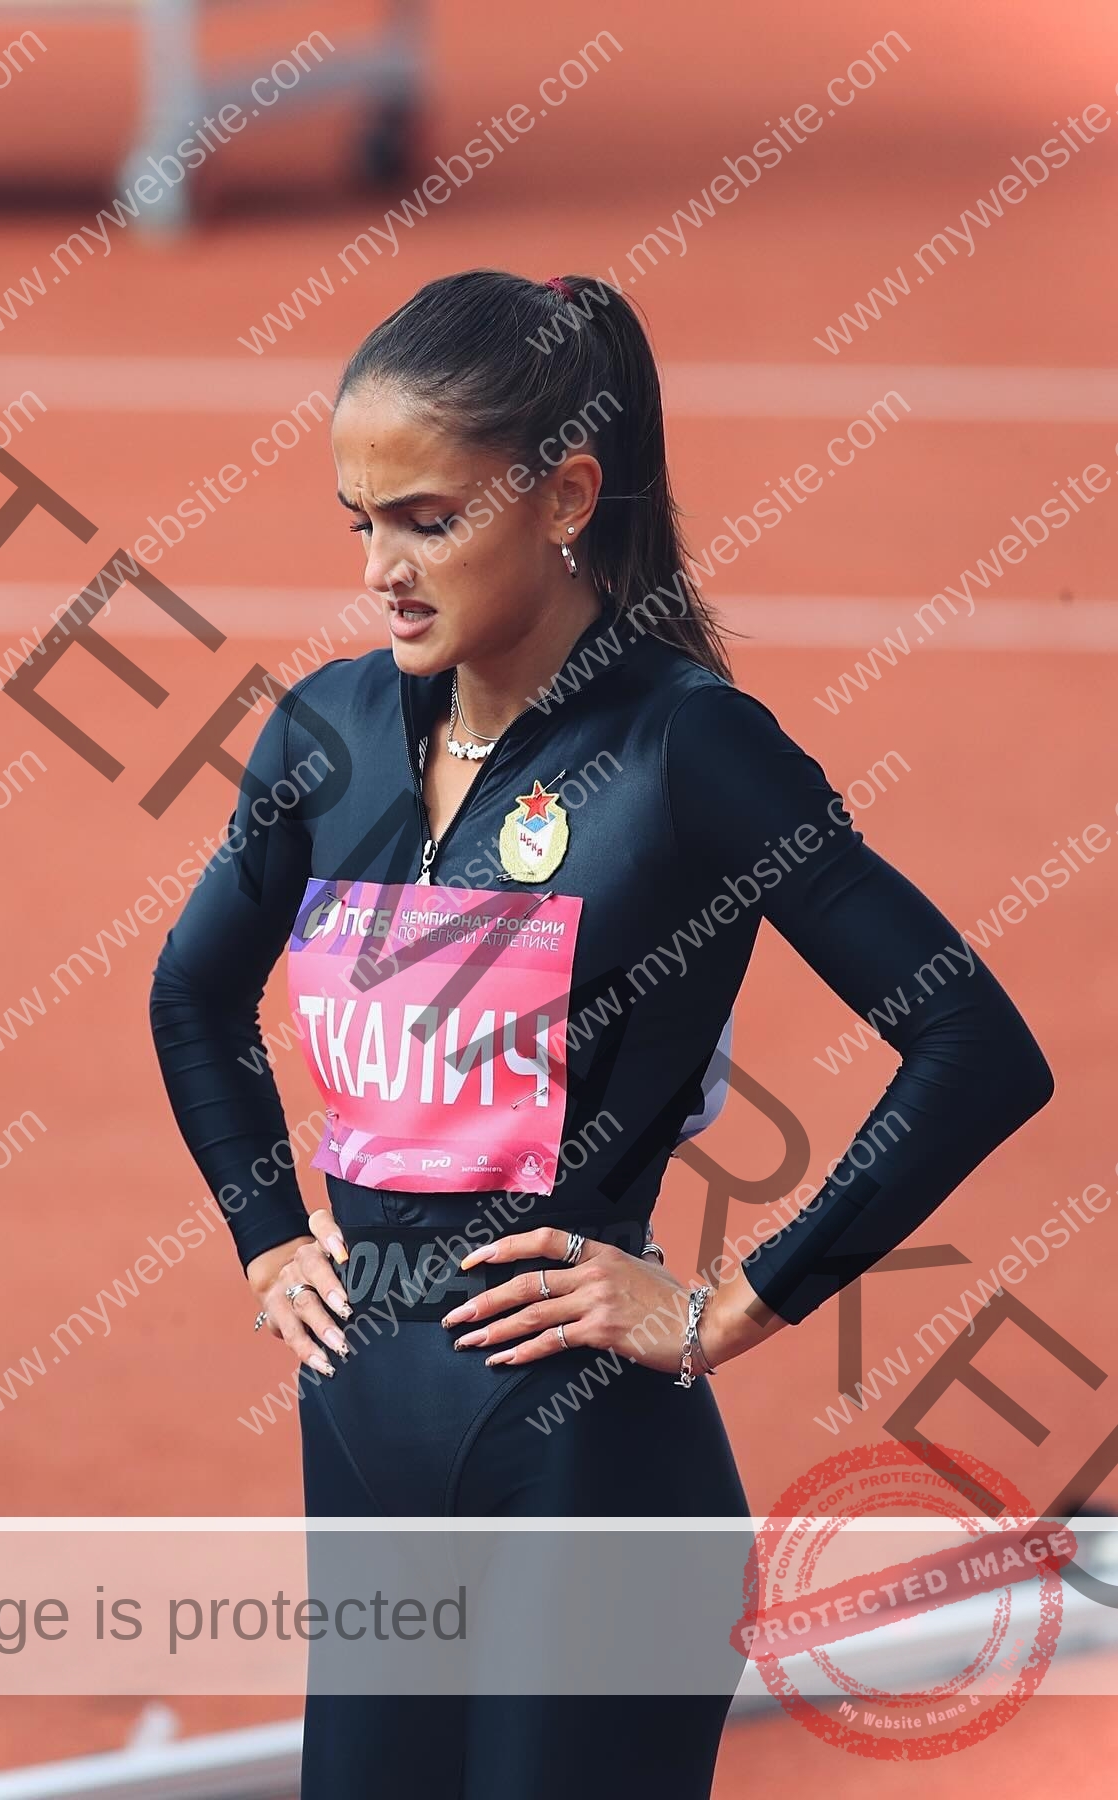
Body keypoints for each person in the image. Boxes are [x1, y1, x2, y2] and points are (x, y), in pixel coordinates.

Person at [148, 269, 1054, 1798]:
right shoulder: (328, 735)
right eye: (357, 522)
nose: (381, 568)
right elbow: (190, 994)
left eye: (427, 520)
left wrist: (728, 1307)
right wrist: (261, 1228)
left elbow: (972, 1044)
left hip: (587, 1475)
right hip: (364, 1446)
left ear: (563, 495)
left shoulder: (687, 749)